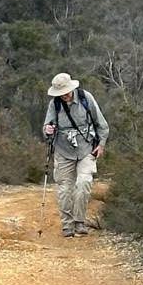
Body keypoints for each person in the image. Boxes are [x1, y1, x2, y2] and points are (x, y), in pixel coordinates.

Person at [42, 71, 109, 238]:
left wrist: (101, 144)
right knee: (65, 189)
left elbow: (101, 124)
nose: (64, 96)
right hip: (63, 150)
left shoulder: (86, 98)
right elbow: (47, 128)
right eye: (61, 93)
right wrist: (48, 130)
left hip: (86, 148)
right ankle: (67, 224)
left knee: (84, 183)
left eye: (66, 92)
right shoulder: (54, 104)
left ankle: (80, 221)